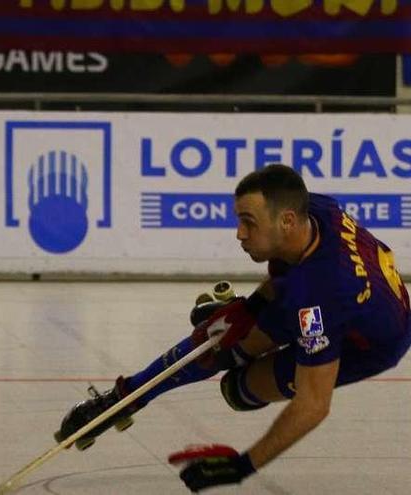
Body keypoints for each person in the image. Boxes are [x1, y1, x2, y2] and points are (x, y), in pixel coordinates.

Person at [55, 164, 410, 492]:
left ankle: (233, 365)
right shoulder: (314, 211)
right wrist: (251, 307)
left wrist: (242, 466)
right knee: (219, 335)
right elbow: (295, 271)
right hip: (343, 300)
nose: (239, 233)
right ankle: (124, 398)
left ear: (286, 221)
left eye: (248, 222)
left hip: (366, 344)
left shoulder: (317, 297)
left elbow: (313, 405)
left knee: (237, 389)